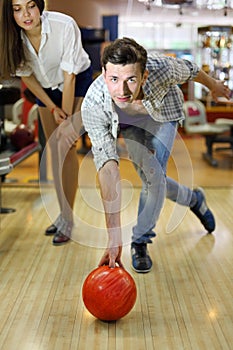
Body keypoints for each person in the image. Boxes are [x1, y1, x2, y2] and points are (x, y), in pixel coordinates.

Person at [80, 37, 230, 273]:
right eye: (113, 80)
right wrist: (113, 237)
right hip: (130, 126)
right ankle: (194, 200)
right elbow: (108, 167)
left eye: (131, 79)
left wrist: (213, 85)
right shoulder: (94, 105)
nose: (122, 90)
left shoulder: (163, 68)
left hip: (163, 116)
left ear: (144, 76)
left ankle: (140, 240)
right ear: (104, 73)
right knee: (154, 179)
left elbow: (192, 70)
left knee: (153, 176)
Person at [0, 0, 92, 245]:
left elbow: (70, 76)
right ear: (11, 14)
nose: (26, 14)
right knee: (53, 150)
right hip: (45, 90)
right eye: (17, 9)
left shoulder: (64, 25)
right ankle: (63, 216)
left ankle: (68, 220)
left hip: (76, 82)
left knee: (66, 145)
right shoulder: (12, 38)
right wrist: (52, 107)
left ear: (40, 6)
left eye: (31, 6)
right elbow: (27, 78)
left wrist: (66, 115)